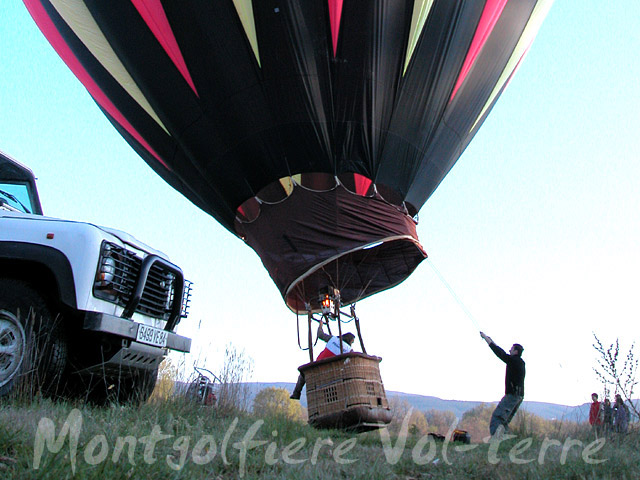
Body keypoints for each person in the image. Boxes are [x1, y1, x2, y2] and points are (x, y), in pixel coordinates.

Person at [290, 322, 356, 400]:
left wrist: (320, 325)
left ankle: (296, 393)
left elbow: (320, 334)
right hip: (331, 372)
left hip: (317, 366)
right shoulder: (349, 350)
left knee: (302, 375)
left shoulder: (333, 339)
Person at [480, 332, 525, 436]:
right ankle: (504, 440)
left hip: (512, 396)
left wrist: (487, 340)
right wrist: (490, 340)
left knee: (497, 418)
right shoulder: (519, 362)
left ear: (516, 351)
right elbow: (502, 353)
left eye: (511, 349)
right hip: (518, 396)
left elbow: (500, 354)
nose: (510, 350)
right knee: (504, 421)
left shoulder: (514, 361)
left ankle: (496, 440)